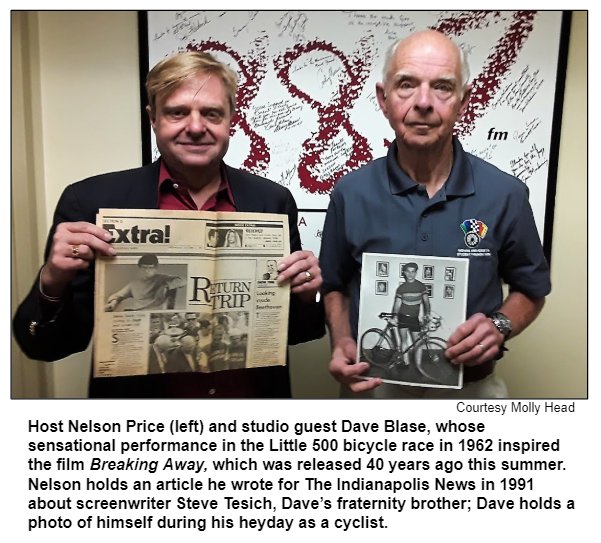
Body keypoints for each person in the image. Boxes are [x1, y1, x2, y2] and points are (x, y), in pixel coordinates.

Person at [13, 51, 324, 398]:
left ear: (231, 120)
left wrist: (306, 295)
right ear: (153, 118)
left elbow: (296, 333)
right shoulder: (89, 201)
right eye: (178, 112)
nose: (195, 126)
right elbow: (45, 347)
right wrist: (52, 281)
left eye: (211, 113)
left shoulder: (272, 201)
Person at [320, 30, 551, 399]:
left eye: (442, 87)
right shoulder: (350, 192)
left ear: (463, 100)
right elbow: (333, 284)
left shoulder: (505, 193)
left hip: (472, 390)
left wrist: (500, 324)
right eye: (407, 84)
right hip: (373, 389)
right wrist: (343, 339)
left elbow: (532, 289)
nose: (423, 102)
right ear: (384, 98)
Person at [104, 254, 185, 311]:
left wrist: (166, 285)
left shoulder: (161, 278)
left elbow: (183, 280)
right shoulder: (134, 284)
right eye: (144, 268)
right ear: (139, 268)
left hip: (157, 314)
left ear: (155, 269)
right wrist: (113, 302)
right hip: (138, 314)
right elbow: (119, 295)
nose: (147, 271)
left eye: (150, 268)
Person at [392, 263, 431, 365]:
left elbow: (426, 302)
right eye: (408, 271)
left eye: (412, 271)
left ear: (416, 272)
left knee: (417, 342)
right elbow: (397, 304)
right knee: (403, 340)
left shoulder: (421, 286)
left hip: (414, 318)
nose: (410, 274)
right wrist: (395, 316)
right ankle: (406, 363)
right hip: (402, 317)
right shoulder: (401, 288)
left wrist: (427, 314)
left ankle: (419, 365)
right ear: (404, 272)